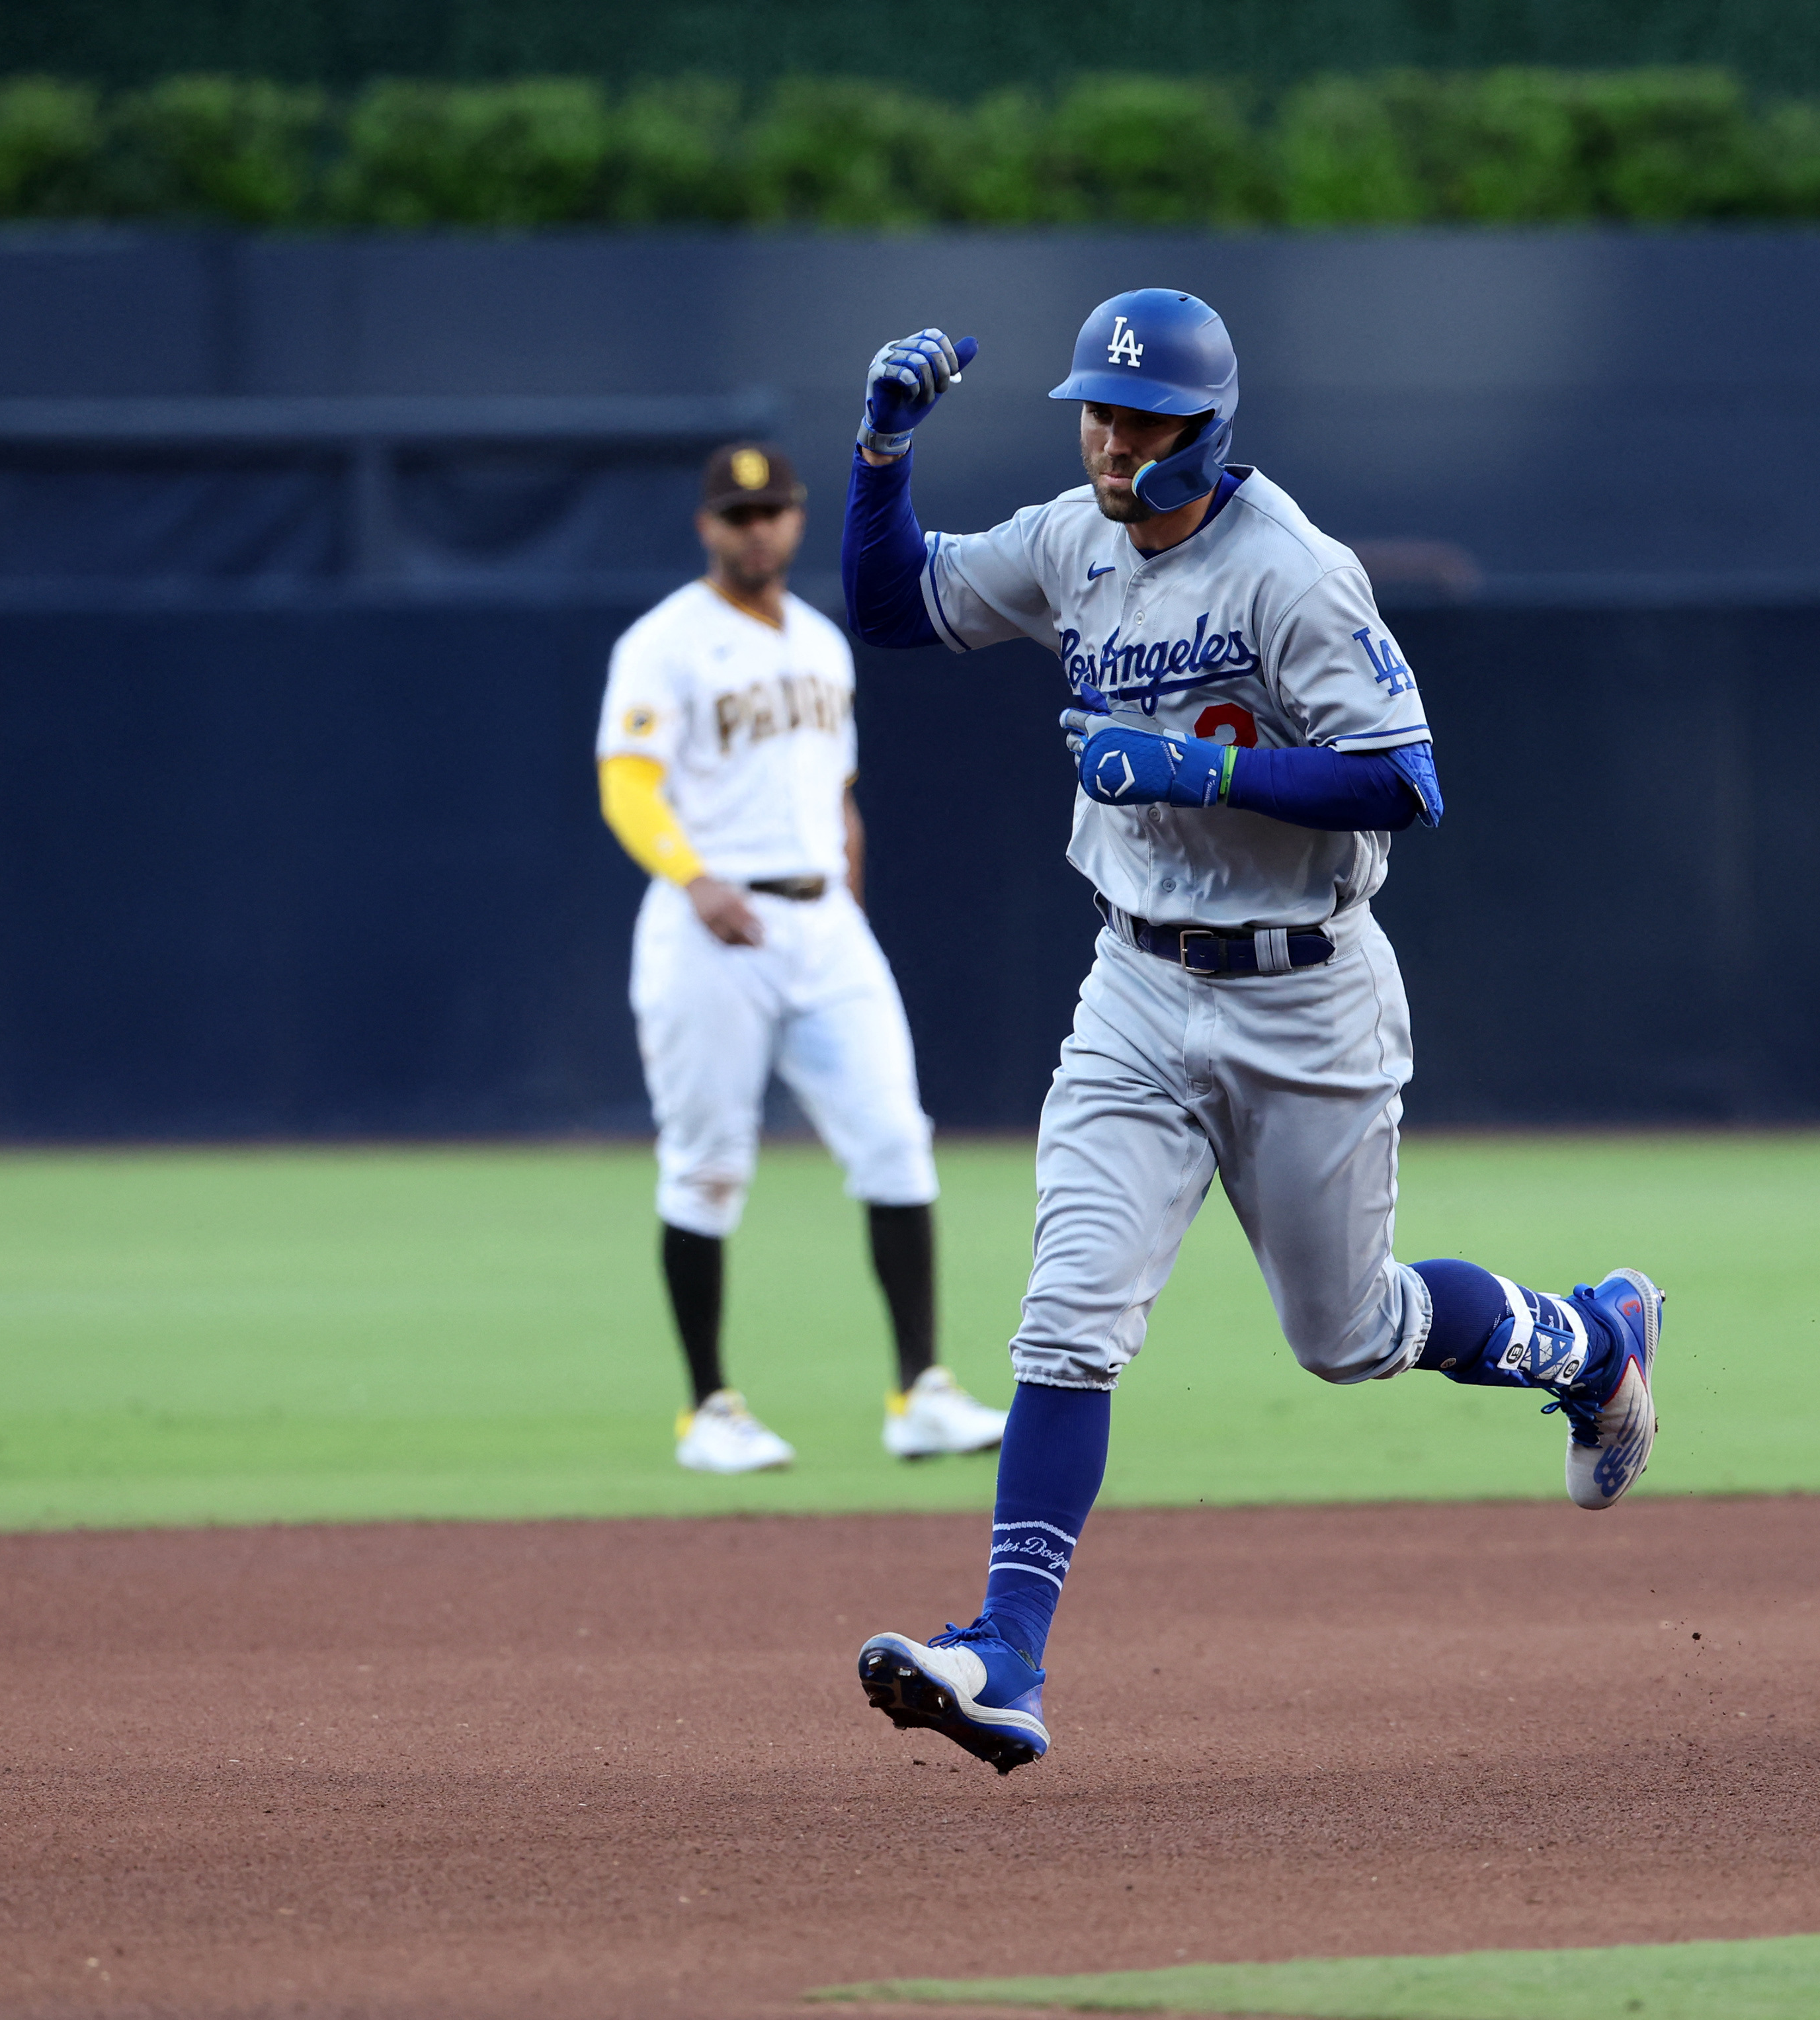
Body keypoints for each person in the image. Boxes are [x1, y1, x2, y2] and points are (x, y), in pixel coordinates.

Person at [834, 294, 1665, 1773]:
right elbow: (898, 611)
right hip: (1138, 990)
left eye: (1137, 419)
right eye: (1093, 409)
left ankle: (1593, 1340)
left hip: (1305, 997)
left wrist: (1182, 768)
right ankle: (1004, 1655)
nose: (1106, 438)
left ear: (1205, 433)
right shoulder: (1068, 538)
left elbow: (1401, 780)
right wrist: (882, 459)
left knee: (1346, 1338)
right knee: (1066, 1319)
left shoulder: (1289, 570)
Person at [595, 441, 1009, 1474]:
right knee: (706, 1167)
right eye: (738, 516)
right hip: (708, 926)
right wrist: (692, 877)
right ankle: (709, 1410)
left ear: (796, 518)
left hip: (823, 920)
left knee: (895, 1143)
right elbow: (628, 785)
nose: (757, 529)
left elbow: (838, 797)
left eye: (773, 511)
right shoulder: (664, 644)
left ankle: (919, 1390)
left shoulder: (823, 643)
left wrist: (847, 905)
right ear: (707, 527)